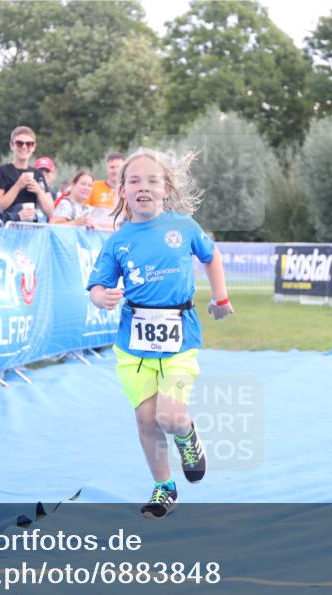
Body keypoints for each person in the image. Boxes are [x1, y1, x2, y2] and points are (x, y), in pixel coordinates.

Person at [87, 149, 233, 518]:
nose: (143, 187)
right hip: (133, 346)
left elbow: (211, 256)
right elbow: (96, 286)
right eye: (134, 180)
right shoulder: (118, 241)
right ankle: (164, 488)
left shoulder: (183, 227)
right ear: (122, 190)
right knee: (146, 420)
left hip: (179, 339)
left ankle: (187, 436)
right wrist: (102, 296)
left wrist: (221, 298)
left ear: (166, 188)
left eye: (152, 180)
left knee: (170, 417)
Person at [0, 126, 54, 222]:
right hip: (7, 228)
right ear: (12, 145)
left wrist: (38, 191)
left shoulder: (38, 174)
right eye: (19, 143)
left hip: (30, 229)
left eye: (29, 144)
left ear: (34, 147)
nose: (24, 147)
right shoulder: (1, 171)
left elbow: (50, 212)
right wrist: (18, 185)